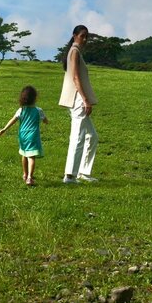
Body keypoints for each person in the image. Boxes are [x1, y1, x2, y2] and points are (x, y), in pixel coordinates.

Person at [58, 25, 99, 184]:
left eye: (86, 36)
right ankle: (70, 176)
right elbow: (76, 78)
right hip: (78, 100)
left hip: (78, 99)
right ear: (74, 35)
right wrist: (85, 99)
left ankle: (83, 172)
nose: (85, 39)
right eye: (82, 36)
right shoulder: (74, 52)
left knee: (92, 137)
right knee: (78, 137)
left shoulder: (75, 52)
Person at [0, 85, 48, 186]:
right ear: (35, 98)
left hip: (22, 136)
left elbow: (13, 119)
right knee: (31, 156)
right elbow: (45, 120)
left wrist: (4, 129)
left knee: (24, 154)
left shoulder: (21, 110)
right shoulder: (38, 110)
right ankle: (30, 177)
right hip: (33, 136)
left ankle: (25, 174)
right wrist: (46, 121)